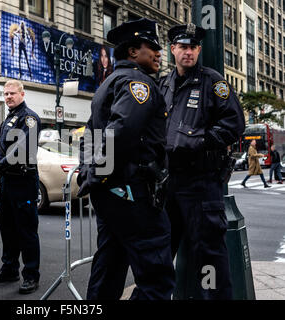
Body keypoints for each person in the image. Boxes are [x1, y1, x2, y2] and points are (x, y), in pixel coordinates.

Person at [77, 18, 175, 300]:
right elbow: (120, 132)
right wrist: (95, 174)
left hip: (112, 194)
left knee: (109, 268)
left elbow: (90, 136)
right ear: (133, 51)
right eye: (152, 47)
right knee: (157, 279)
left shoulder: (107, 84)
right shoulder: (137, 83)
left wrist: (91, 175)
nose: (159, 54)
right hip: (134, 194)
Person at [159, 23, 246, 299]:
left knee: (209, 257)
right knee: (160, 253)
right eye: (183, 46)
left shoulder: (213, 82)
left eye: (193, 47)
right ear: (172, 49)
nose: (189, 52)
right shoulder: (164, 84)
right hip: (169, 183)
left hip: (201, 184)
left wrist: (197, 140)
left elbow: (234, 124)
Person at [0, 80, 41, 295]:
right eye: (6, 94)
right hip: (8, 183)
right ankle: (9, 269)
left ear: (22, 94)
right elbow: (1, 151)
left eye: (12, 93)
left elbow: (21, 149)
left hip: (23, 182)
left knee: (26, 231)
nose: (8, 97)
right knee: (7, 229)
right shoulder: (9, 118)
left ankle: (31, 275)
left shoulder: (29, 118)